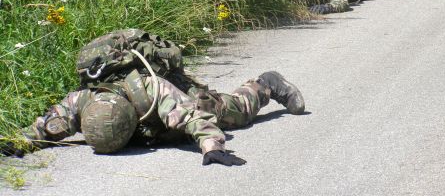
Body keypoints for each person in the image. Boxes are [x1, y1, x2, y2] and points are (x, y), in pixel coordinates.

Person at [0, 69, 305, 166]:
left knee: (231, 112)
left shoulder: (153, 93)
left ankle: (265, 84)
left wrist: (213, 148)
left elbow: (194, 120)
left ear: (133, 118)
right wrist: (19, 141)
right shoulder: (81, 102)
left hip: (177, 102)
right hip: (148, 122)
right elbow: (46, 126)